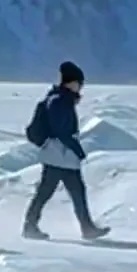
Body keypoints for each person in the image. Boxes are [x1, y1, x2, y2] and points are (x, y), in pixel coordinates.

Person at [23, 61, 109, 241]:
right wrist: (76, 148)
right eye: (79, 83)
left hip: (59, 154)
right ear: (71, 82)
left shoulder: (60, 99)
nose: (81, 87)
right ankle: (31, 226)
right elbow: (61, 129)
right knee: (55, 191)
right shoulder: (60, 100)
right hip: (59, 153)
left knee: (66, 190)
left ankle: (86, 228)